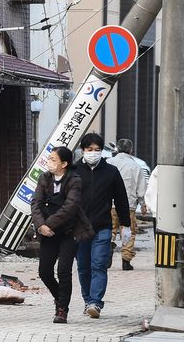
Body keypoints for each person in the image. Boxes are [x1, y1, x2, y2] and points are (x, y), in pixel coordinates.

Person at [31, 146, 94, 324]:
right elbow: (36, 203)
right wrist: (40, 225)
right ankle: (60, 298)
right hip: (47, 233)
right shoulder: (44, 178)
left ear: (64, 164)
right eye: (49, 159)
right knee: (44, 271)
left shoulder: (74, 180)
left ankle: (62, 309)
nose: (49, 162)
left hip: (69, 231)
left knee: (64, 270)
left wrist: (48, 224)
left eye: (53, 159)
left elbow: (71, 207)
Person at [73, 132, 131, 319]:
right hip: (79, 228)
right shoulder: (73, 171)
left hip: (102, 226)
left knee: (99, 264)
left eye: (97, 150)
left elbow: (121, 199)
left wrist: (126, 225)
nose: (93, 153)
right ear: (82, 150)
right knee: (83, 266)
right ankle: (87, 299)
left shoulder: (111, 172)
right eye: (89, 150)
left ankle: (95, 303)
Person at [106, 138, 147, 270]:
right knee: (128, 231)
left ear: (117, 149)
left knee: (108, 229)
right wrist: (143, 204)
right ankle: (126, 261)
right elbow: (141, 189)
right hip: (129, 205)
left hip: (109, 204)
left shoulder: (108, 162)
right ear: (131, 150)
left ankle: (107, 251)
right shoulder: (136, 166)